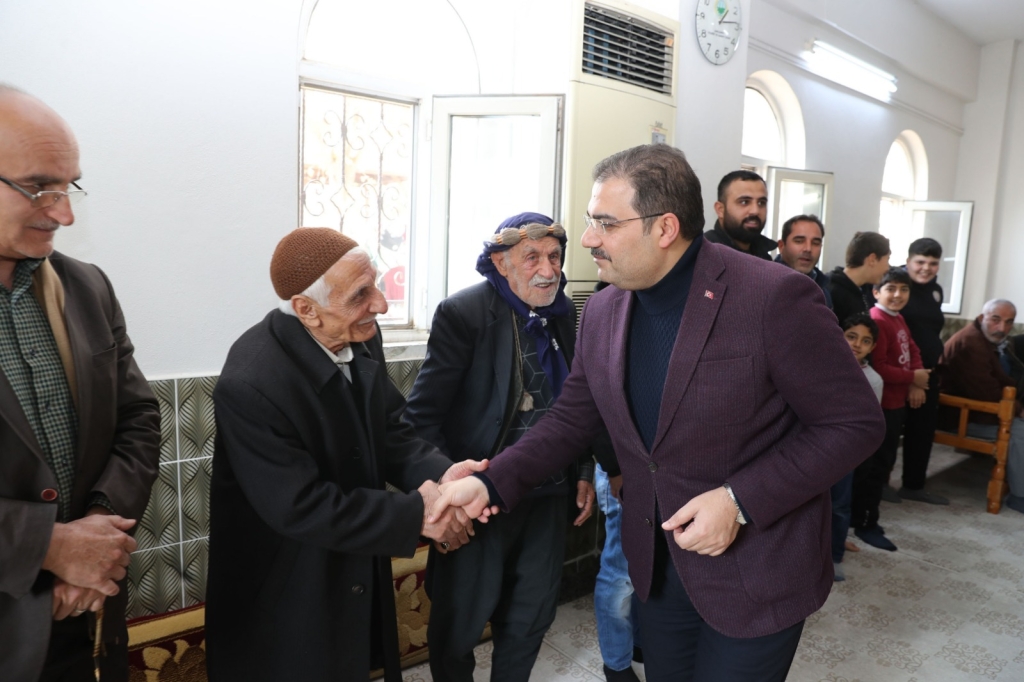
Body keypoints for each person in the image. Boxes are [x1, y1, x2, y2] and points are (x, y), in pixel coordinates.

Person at [429, 144, 884, 682]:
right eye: (591, 221)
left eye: (605, 223)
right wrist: (488, 484)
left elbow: (853, 424)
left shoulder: (773, 296)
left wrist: (739, 500)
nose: (589, 239)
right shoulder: (603, 308)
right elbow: (572, 419)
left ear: (665, 228)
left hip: (756, 568)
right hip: (659, 566)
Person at [206, 228, 488, 682]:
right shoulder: (251, 382)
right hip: (288, 581)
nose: (381, 304)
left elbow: (390, 429)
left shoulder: (358, 336)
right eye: (360, 295)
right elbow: (300, 504)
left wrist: (445, 476)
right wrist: (419, 513)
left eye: (375, 284)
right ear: (306, 309)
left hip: (353, 554)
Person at [0, 84, 162, 681]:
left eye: (69, 187)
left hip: (87, 617)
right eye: (38, 187)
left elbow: (138, 419)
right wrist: (47, 547)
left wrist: (96, 539)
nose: (63, 213)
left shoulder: (87, 287)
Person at [404, 213, 595, 682]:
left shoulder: (563, 313)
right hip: (479, 500)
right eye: (532, 258)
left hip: (547, 495)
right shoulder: (465, 313)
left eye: (554, 256)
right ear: (500, 262)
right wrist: (448, 488)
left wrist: (583, 469)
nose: (548, 270)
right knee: (460, 623)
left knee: (531, 615)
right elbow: (421, 418)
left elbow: (576, 402)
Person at [852, 268, 930, 551]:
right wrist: (912, 378)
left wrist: (917, 380)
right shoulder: (878, 319)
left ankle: (867, 518)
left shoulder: (898, 318)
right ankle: (865, 524)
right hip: (882, 407)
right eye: (891, 289)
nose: (898, 295)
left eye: (904, 289)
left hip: (897, 403)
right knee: (873, 470)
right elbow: (880, 367)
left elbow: (914, 350)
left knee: (884, 465)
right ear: (876, 292)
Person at [940, 299, 1024, 514]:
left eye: (1009, 322)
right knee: (1020, 430)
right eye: (996, 319)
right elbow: (987, 393)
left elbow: (1000, 381)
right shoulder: (971, 344)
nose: (1002, 328)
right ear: (981, 317)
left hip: (980, 410)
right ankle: (1019, 496)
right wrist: (1019, 409)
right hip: (958, 416)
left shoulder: (984, 339)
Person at [897, 238, 948, 504]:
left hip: (929, 372)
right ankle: (878, 487)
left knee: (923, 431)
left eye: (933, 263)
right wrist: (914, 379)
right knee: (890, 433)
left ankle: (914, 486)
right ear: (908, 261)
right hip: (903, 373)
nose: (926, 268)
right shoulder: (898, 289)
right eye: (920, 262)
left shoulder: (936, 290)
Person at [835, 313, 884, 579]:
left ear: (872, 346)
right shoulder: (822, 366)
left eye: (865, 341)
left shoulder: (873, 380)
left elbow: (868, 425)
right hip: (813, 449)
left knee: (840, 505)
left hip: (845, 454)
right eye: (851, 336)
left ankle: (833, 556)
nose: (857, 344)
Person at [703, 170, 776, 260]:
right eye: (744, 202)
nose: (755, 211)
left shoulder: (764, 256)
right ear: (720, 210)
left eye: (761, 203)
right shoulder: (703, 254)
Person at [828, 231, 891, 327]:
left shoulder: (865, 290)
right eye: (887, 259)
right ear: (872, 259)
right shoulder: (832, 292)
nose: (888, 268)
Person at [774, 214, 832, 309]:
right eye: (799, 241)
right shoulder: (766, 283)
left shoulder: (823, 287)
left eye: (815, 243)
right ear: (781, 246)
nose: (808, 249)